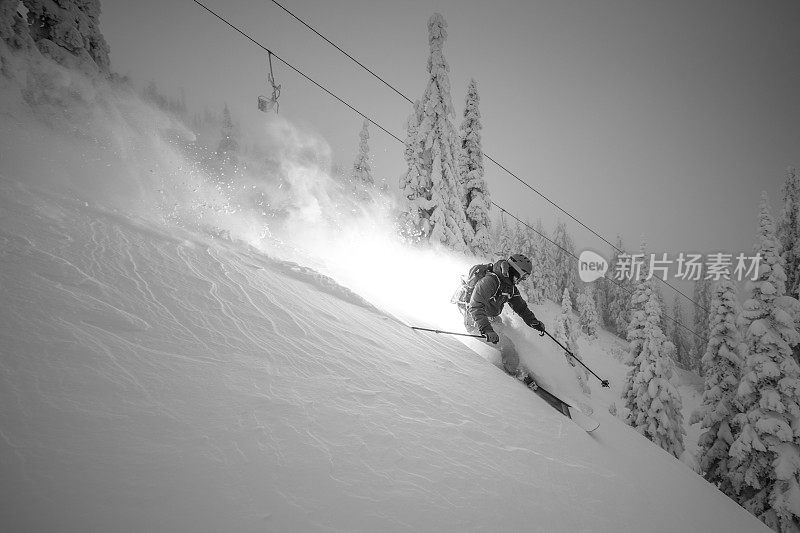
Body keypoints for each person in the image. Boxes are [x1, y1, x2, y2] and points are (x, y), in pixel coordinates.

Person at [465, 254, 545, 377]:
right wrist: (487, 330)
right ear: (514, 270)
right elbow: (475, 306)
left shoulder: (510, 287)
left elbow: (521, 308)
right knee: (507, 345)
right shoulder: (490, 281)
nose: (521, 280)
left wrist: (533, 322)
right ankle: (515, 374)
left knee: (503, 334)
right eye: (522, 276)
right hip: (474, 320)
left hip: (491, 318)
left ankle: (513, 363)